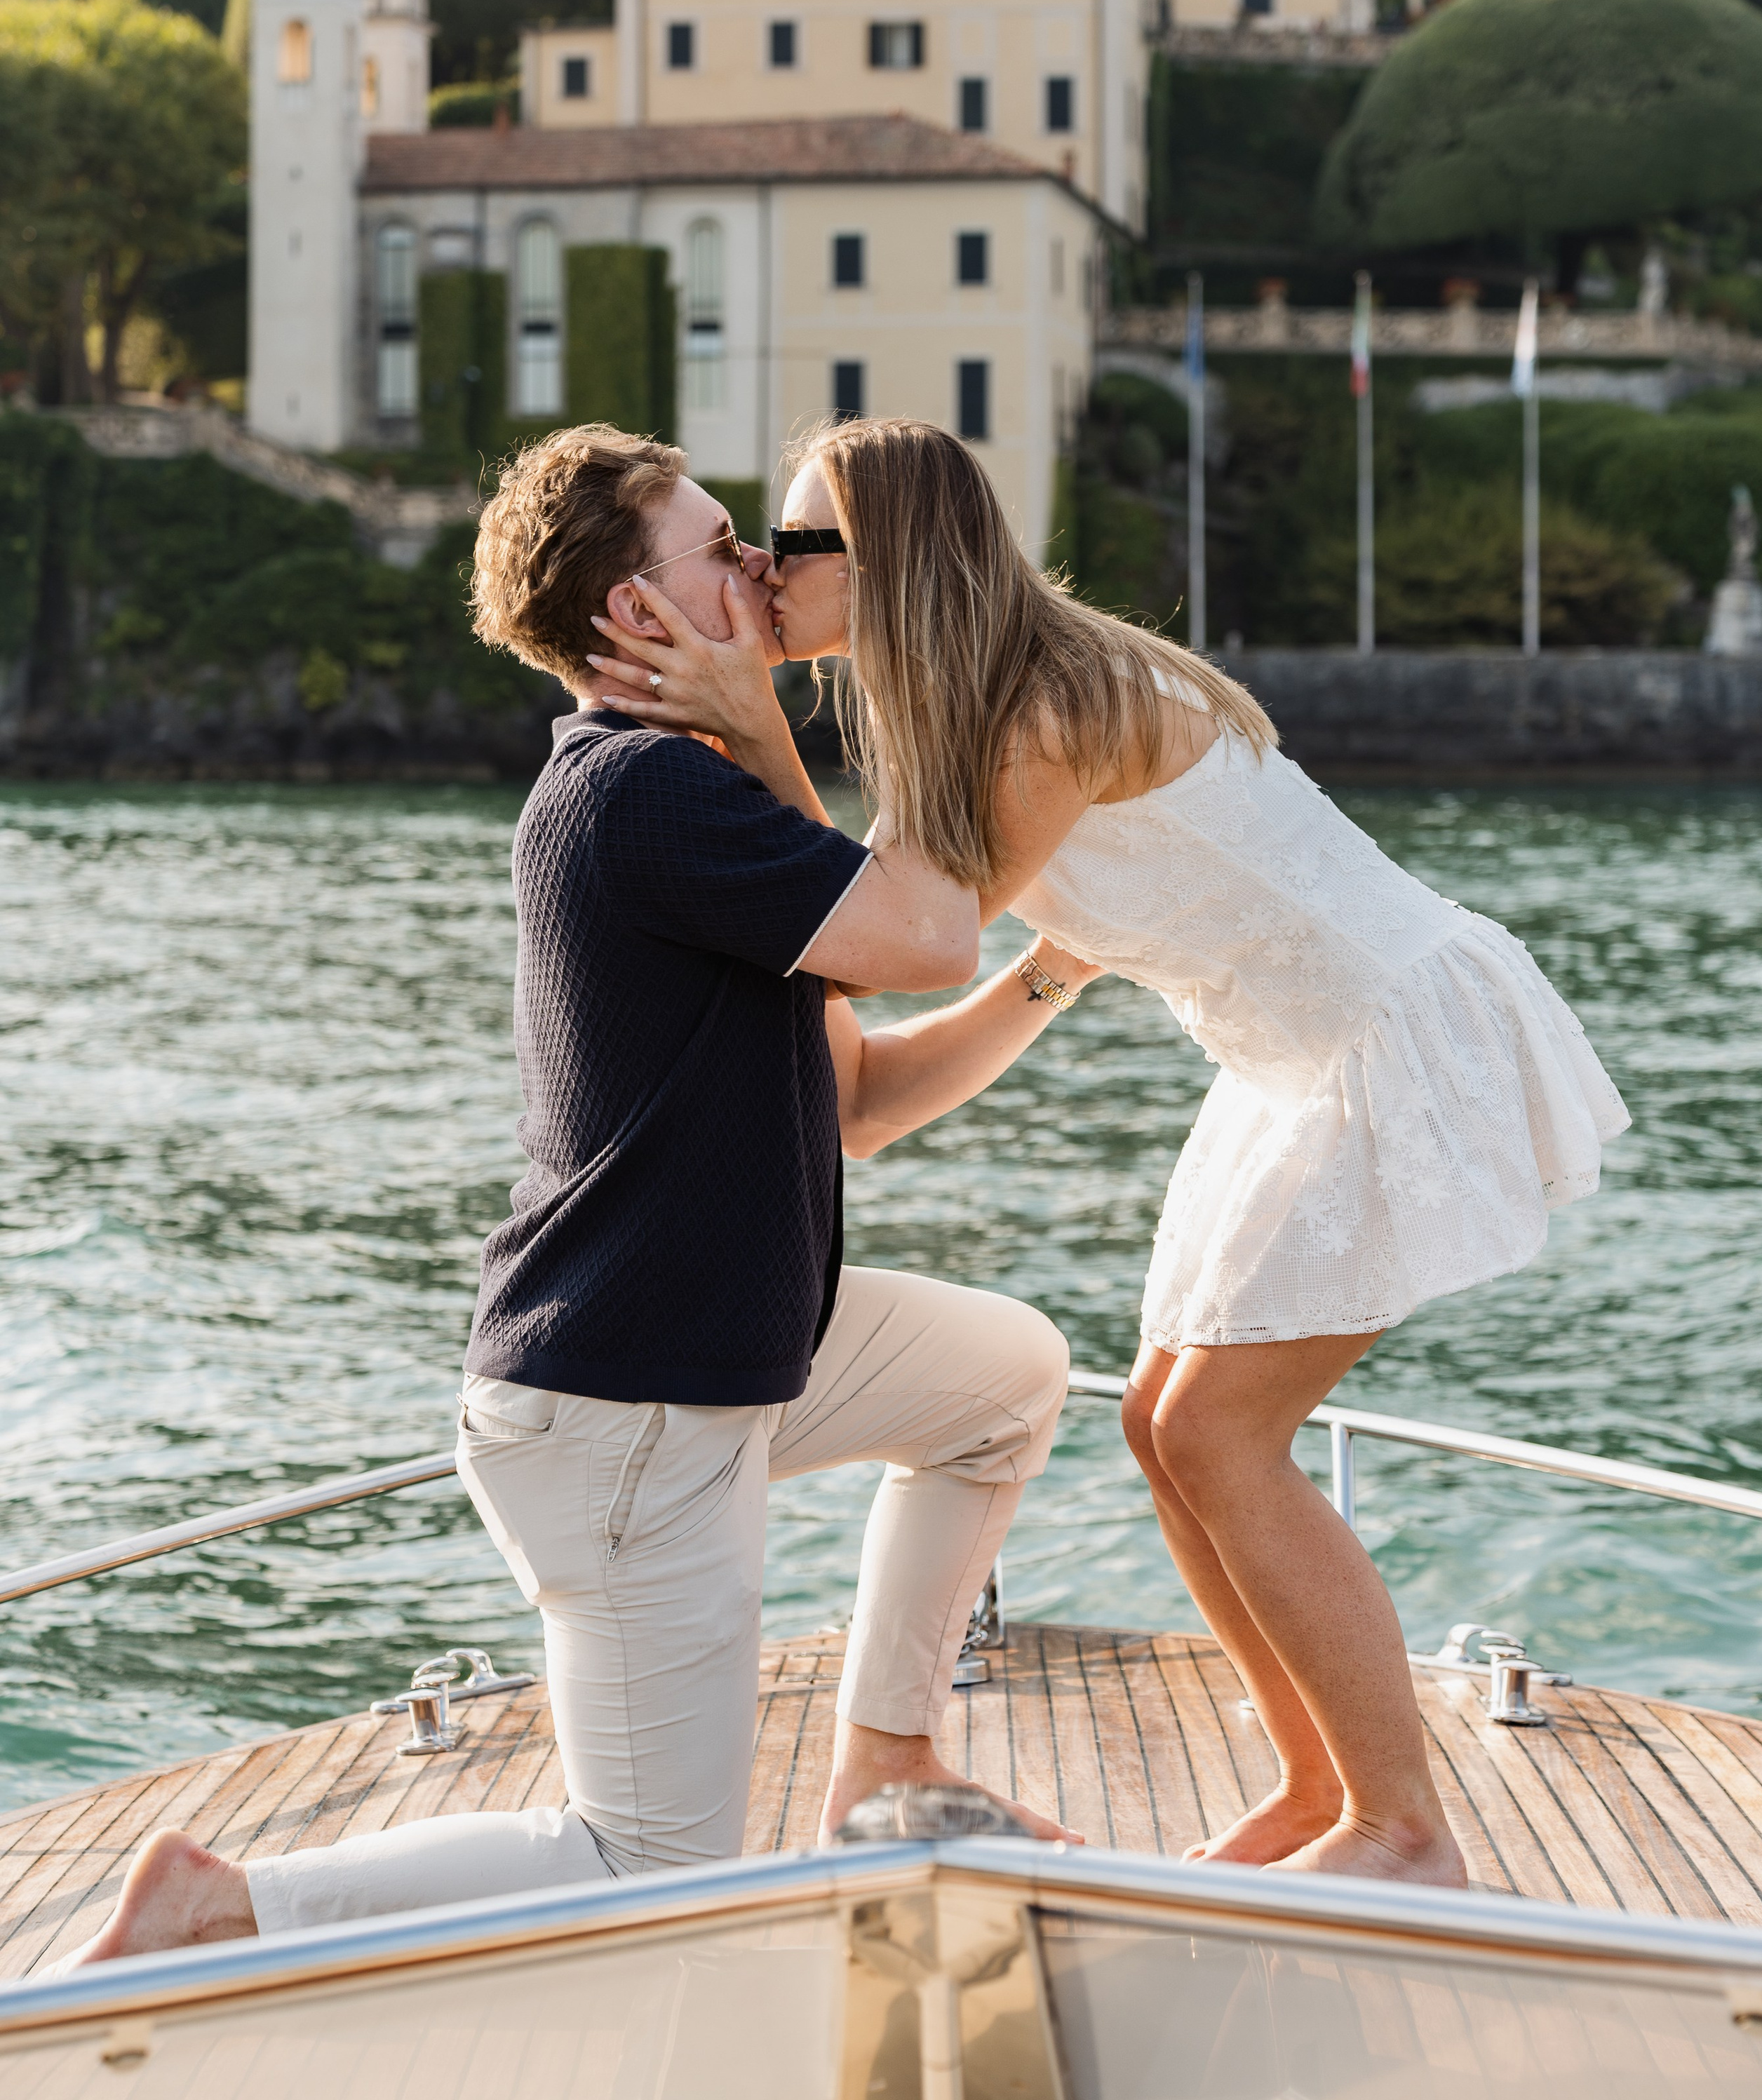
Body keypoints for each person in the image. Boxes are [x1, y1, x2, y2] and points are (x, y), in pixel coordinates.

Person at [64, 423, 1089, 1969]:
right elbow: (921, 928)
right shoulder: (648, 801)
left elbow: (860, 1102)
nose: (758, 564)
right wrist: (768, 731)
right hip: (630, 1409)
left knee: (1003, 1382)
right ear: (635, 617)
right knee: (643, 1861)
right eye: (720, 544)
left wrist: (1056, 975)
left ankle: (889, 1766)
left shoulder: (688, 800)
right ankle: (227, 1906)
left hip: (721, 1356)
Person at [594, 415, 1630, 1890]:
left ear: (884, 567)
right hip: (1288, 1058)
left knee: (1218, 1433)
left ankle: (1403, 1831)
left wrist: (756, 733)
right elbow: (880, 1017)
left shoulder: (1039, 713)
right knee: (1161, 1424)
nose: (762, 568)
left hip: (1382, 1042)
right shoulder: (976, 708)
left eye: (792, 543)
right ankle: (1319, 1782)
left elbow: (904, 939)